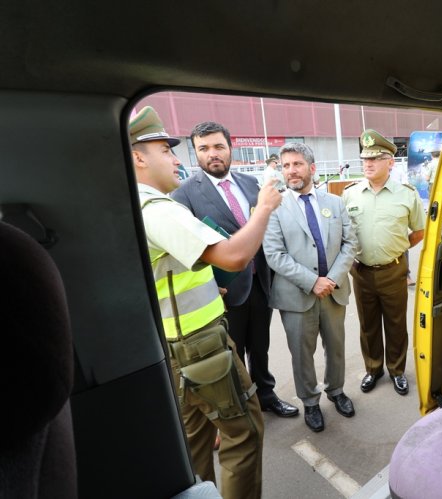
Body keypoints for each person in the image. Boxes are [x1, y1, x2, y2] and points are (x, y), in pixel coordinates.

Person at [130, 106, 281, 499]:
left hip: (178, 343)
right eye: (166, 150)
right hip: (199, 345)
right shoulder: (158, 208)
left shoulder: (135, 205)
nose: (175, 158)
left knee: (195, 437)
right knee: (244, 432)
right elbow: (232, 256)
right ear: (137, 156)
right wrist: (264, 208)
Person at [171, 122, 299, 419]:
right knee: (233, 353)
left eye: (218, 147)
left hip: (260, 281)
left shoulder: (249, 184)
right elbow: (183, 252)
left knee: (261, 345)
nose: (212, 154)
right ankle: (240, 406)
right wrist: (206, 285)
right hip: (224, 290)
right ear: (196, 153)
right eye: (203, 149)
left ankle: (266, 395)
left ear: (231, 148)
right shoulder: (184, 195)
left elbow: (263, 229)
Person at [263, 142, 357, 432]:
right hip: (297, 295)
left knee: (336, 347)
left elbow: (350, 243)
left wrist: (332, 279)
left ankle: (336, 390)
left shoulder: (335, 203)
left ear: (312, 169)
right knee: (302, 353)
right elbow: (274, 254)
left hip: (333, 291)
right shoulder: (275, 207)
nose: (291, 170)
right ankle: (311, 402)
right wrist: (312, 281)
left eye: (297, 164)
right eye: (286, 165)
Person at [342, 129, 426, 396]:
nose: (368, 163)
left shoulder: (407, 194)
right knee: (367, 326)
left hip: (393, 269)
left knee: (396, 323)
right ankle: (373, 369)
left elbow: (419, 232)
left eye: (376, 158)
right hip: (361, 271)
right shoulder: (350, 194)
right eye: (365, 158)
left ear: (391, 162)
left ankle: (397, 371)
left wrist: (397, 248)